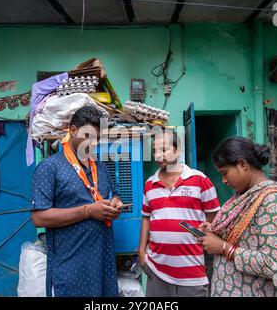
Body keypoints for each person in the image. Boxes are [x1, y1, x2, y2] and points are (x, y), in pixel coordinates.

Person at [198, 137, 277, 297]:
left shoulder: (275, 202)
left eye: (225, 173)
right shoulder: (244, 196)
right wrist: (214, 230)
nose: (223, 180)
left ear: (243, 164)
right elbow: (245, 235)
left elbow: (275, 265)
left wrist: (224, 248)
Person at [30, 106, 125, 297]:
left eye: (96, 138)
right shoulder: (50, 168)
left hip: (102, 264)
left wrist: (116, 203)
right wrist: (88, 211)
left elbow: (113, 194)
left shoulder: (100, 167)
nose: (92, 143)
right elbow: (39, 218)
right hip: (71, 268)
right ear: (72, 131)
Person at [138, 130, 221, 297]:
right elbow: (146, 218)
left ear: (177, 150)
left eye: (163, 149)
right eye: (154, 151)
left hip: (191, 272)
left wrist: (205, 232)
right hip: (156, 269)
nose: (157, 155)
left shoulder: (200, 180)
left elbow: (215, 218)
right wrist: (141, 250)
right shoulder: (150, 184)